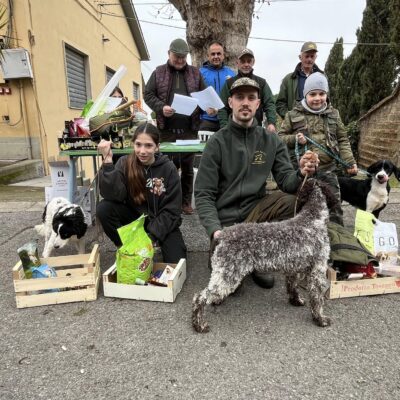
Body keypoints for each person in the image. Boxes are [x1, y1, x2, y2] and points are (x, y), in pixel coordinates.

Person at [195, 77, 318, 289]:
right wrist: (215, 231)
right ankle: (233, 254)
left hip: (256, 216)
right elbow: (203, 194)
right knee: (229, 288)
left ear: (258, 104)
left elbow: (287, 182)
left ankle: (261, 256)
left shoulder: (271, 140)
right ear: (230, 102)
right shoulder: (217, 142)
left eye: (251, 98)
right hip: (226, 224)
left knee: (299, 202)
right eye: (239, 97)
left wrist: (301, 173)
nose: (245, 102)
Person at [96, 122, 187, 263]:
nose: (142, 151)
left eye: (148, 145)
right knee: (104, 208)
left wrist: (151, 237)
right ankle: (126, 248)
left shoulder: (169, 169)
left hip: (162, 223)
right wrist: (107, 163)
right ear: (133, 144)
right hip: (136, 220)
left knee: (177, 263)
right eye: (138, 145)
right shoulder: (124, 163)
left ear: (157, 147)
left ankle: (150, 244)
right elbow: (113, 196)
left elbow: (172, 210)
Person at [278, 72, 357, 226]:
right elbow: (280, 138)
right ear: (305, 95)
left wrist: (349, 162)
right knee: (303, 210)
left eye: (322, 94)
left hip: (328, 170)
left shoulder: (334, 114)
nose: (317, 98)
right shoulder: (292, 115)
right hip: (304, 172)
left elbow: (342, 140)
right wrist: (295, 139)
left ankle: (337, 238)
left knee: (334, 208)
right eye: (312, 94)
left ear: (326, 95)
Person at [144, 38, 209, 215]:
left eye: (183, 57)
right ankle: (167, 202)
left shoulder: (195, 73)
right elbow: (148, 94)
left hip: (189, 129)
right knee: (166, 167)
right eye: (176, 57)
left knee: (188, 169)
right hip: (166, 130)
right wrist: (161, 107)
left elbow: (204, 96)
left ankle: (186, 202)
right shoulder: (158, 72)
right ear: (169, 54)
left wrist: (209, 107)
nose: (180, 60)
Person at [218, 48, 276, 132]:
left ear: (253, 62)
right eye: (243, 61)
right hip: (233, 130)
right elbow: (222, 107)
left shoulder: (262, 83)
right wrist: (225, 127)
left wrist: (271, 123)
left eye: (249, 61)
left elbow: (269, 103)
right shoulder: (229, 83)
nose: (246, 64)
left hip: (256, 130)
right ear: (237, 62)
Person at [275, 41, 324, 119]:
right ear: (300, 57)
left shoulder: (322, 78)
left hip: (318, 122)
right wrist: (290, 118)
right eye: (307, 56)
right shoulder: (288, 79)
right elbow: (280, 104)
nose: (309, 59)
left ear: (316, 57)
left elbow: (327, 101)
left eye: (312, 56)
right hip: (296, 123)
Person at [199, 41, 235, 132]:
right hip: (207, 119)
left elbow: (235, 96)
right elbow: (195, 95)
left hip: (227, 119)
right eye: (213, 54)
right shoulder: (200, 73)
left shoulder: (231, 74)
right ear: (208, 56)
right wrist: (205, 108)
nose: (216, 56)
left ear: (223, 56)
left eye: (219, 54)